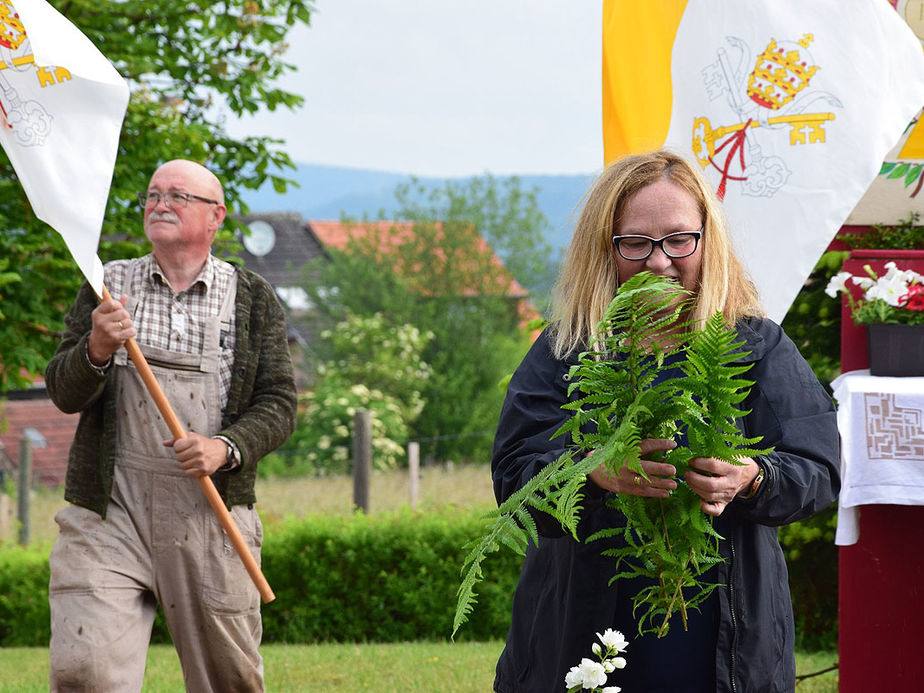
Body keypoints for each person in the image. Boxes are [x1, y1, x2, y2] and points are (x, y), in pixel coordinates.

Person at [491, 150, 840, 693]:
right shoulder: (568, 349)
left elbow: (818, 468)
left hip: (725, 637)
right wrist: (593, 473)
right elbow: (515, 475)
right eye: (635, 243)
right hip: (584, 628)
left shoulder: (754, 344)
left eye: (680, 239)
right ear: (602, 247)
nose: (659, 261)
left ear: (709, 239)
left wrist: (752, 477)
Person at [44, 159, 297, 692]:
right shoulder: (105, 284)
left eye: (178, 196)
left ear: (216, 217)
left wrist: (225, 448)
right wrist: (95, 348)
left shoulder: (251, 298)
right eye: (153, 195)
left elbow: (279, 404)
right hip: (110, 513)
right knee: (84, 671)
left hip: (210, 513)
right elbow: (63, 393)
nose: (160, 204)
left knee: (227, 681)